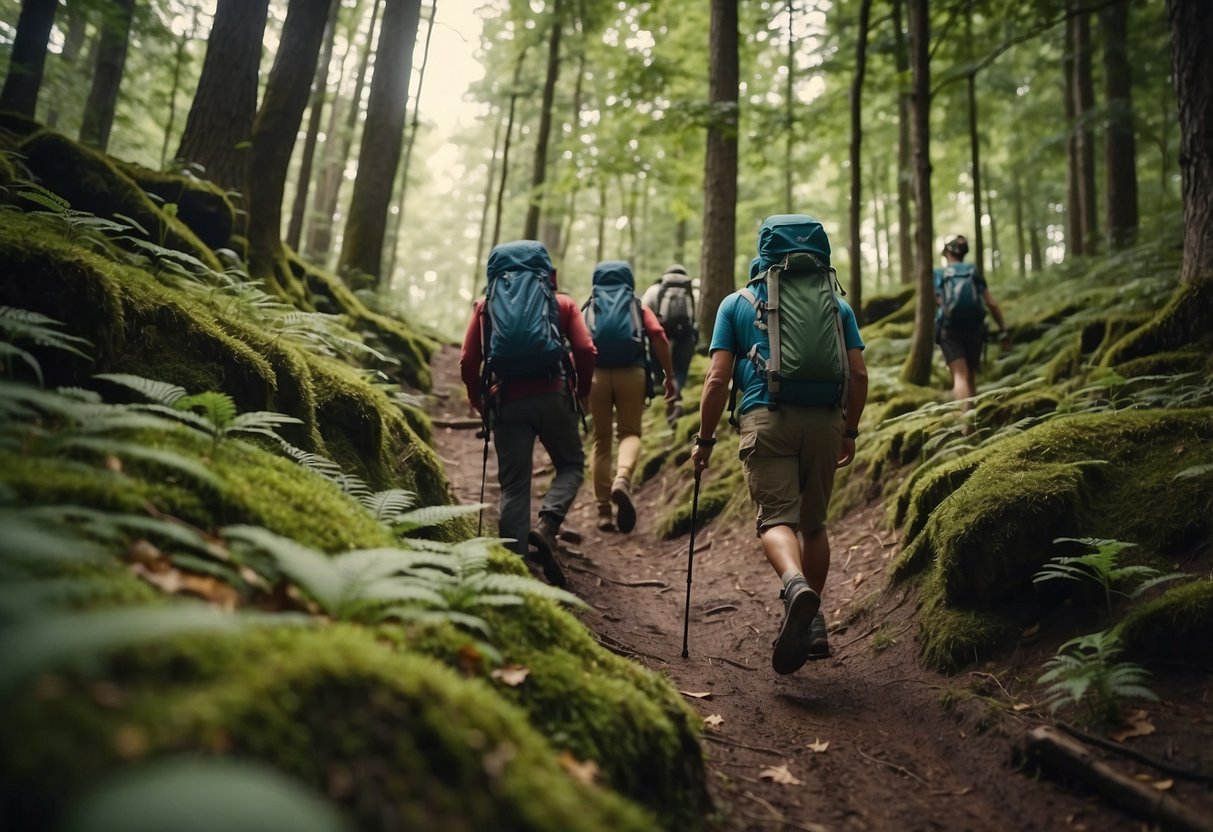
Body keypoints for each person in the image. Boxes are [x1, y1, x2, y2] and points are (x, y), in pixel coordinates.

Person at [691, 215, 868, 675]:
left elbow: (716, 380)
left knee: (775, 520)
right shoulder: (836, 306)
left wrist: (705, 440)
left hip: (765, 418)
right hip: (827, 421)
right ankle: (816, 622)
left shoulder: (736, 304)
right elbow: (860, 374)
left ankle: (793, 585)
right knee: (814, 524)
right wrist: (849, 429)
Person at [460, 240, 596, 587]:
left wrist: (478, 401)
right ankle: (548, 525)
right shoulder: (562, 303)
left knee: (515, 486)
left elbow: (467, 360)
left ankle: (514, 571)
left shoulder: (484, 306)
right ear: (546, 273)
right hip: (554, 395)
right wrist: (581, 391)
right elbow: (585, 348)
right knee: (571, 464)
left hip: (506, 401)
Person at [584, 260, 676, 533]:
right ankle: (622, 478)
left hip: (597, 376)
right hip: (632, 374)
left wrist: (579, 384)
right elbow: (658, 334)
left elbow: (577, 343)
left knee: (601, 440)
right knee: (629, 433)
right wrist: (668, 376)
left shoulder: (589, 306)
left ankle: (603, 512)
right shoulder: (636, 305)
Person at [933, 235, 1009, 403]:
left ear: (947, 253)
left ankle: (966, 425)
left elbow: (934, 302)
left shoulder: (938, 274)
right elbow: (991, 302)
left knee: (960, 376)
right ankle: (973, 420)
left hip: (949, 328)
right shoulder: (973, 270)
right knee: (970, 376)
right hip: (975, 327)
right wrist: (1004, 329)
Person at [641, 264, 698, 423]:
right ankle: (675, 400)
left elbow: (644, 311)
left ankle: (666, 395)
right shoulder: (692, 291)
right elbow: (697, 315)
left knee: (662, 368)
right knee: (679, 369)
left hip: (661, 333)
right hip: (685, 335)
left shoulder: (655, 289)